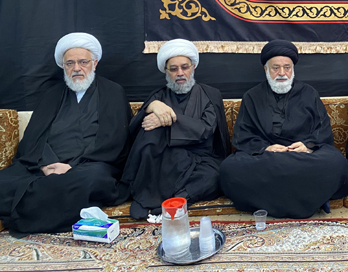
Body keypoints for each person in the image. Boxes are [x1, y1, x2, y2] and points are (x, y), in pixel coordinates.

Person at [0, 33, 131, 233]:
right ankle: (53, 200)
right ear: (63, 66)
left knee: (90, 179)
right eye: (70, 63)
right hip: (44, 166)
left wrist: (71, 167)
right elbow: (34, 138)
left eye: (83, 62)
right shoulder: (52, 94)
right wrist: (45, 166)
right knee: (5, 181)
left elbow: (114, 141)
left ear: (94, 63)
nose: (76, 68)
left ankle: (25, 210)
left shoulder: (113, 92)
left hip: (89, 166)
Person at [219, 40, 348, 218]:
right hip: (267, 157)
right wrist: (265, 148)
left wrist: (307, 146)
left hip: (303, 155)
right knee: (229, 168)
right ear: (266, 69)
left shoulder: (309, 93)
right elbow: (242, 135)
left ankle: (273, 199)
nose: (282, 73)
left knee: (336, 162)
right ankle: (306, 197)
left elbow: (322, 130)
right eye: (276, 68)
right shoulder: (252, 96)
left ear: (293, 69)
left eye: (287, 67)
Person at [121, 39, 230, 219]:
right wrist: (151, 106)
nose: (180, 73)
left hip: (202, 159)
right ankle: (161, 199)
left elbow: (205, 129)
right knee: (151, 145)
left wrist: (169, 120)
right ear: (166, 71)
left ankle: (177, 199)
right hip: (167, 158)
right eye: (173, 69)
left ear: (193, 67)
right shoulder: (158, 97)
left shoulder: (210, 95)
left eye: (184, 67)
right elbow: (137, 129)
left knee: (214, 176)